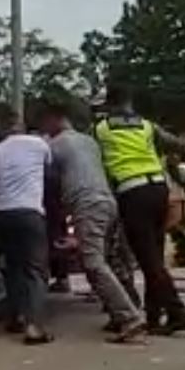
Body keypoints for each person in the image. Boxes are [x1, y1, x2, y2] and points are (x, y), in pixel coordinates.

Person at [38, 99, 147, 342]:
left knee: (94, 264)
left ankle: (130, 318)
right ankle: (124, 313)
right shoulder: (89, 141)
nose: (43, 128)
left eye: (44, 122)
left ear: (54, 119)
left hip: (86, 203)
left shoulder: (55, 145)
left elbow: (44, 177)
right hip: (108, 202)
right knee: (110, 262)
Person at [94, 82, 185, 336]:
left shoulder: (101, 128)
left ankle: (177, 313)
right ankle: (153, 315)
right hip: (158, 190)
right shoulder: (147, 125)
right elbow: (176, 145)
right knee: (155, 258)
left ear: (109, 104)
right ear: (130, 102)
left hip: (132, 193)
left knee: (149, 261)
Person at [0, 113, 56, 344]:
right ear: (22, 127)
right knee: (35, 270)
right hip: (29, 211)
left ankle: (14, 316)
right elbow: (49, 175)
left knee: (13, 266)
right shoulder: (39, 144)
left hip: (2, 213)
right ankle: (34, 326)